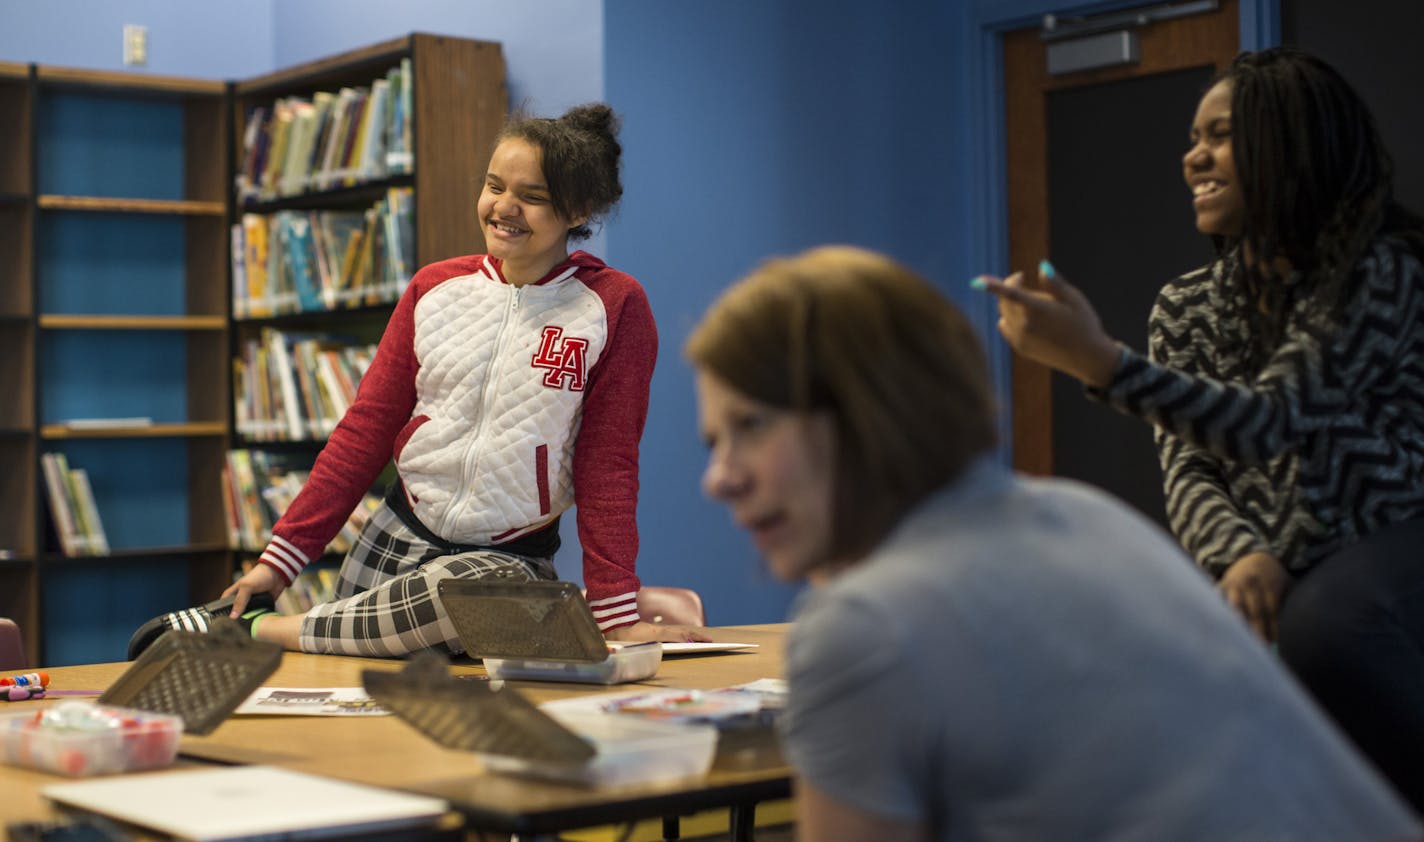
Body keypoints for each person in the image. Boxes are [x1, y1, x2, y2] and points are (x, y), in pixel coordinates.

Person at [687, 244, 1419, 841]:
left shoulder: (862, 628)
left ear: (869, 412)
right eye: (713, 441)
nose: (717, 480)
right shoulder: (1080, 513)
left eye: (751, 426)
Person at [975, 46, 1424, 807]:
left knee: (1327, 626)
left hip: (1392, 534)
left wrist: (1102, 364)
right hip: (1271, 555)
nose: (1193, 158)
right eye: (1192, 137)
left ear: (1293, 146)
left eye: (1221, 135)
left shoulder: (1382, 273)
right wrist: (1239, 554)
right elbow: (1189, 465)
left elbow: (1277, 420)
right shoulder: (1183, 304)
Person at [129, 103, 708, 660]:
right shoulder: (434, 288)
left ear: (578, 210)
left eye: (532, 197)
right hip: (396, 537)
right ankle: (267, 621)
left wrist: (615, 613)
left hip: (505, 562)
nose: (504, 207)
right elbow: (364, 432)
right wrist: (278, 564)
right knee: (362, 701)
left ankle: (252, 632)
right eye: (494, 185)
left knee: (466, 598)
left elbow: (608, 465)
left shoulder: (615, 306)